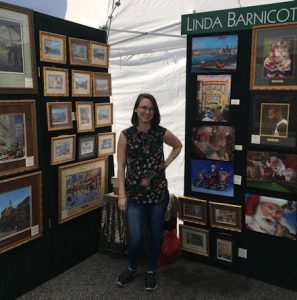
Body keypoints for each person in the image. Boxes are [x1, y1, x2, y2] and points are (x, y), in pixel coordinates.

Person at [116, 93, 182, 291]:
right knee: (135, 237)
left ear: (155, 112)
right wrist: (121, 194)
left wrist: (166, 163)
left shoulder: (160, 133)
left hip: (158, 194)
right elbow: (120, 167)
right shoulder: (126, 135)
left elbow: (178, 145)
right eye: (143, 107)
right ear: (136, 109)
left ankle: (151, 270)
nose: (147, 111)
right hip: (134, 195)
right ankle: (132, 267)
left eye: (151, 108)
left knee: (155, 234)